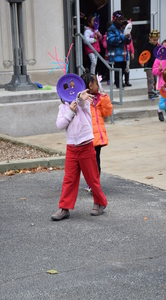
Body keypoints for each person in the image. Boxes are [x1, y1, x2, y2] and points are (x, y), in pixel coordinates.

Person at [51, 88, 107, 221]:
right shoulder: (63, 108)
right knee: (69, 178)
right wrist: (70, 111)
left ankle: (100, 203)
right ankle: (64, 208)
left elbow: (81, 103)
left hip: (86, 145)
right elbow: (60, 125)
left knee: (92, 177)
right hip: (71, 147)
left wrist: (80, 98)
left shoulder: (84, 103)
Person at [81, 69, 113, 192]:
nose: (98, 86)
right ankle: (91, 183)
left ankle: (94, 184)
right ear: (90, 86)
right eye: (96, 84)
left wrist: (105, 99)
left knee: (96, 162)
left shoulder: (99, 99)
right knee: (88, 163)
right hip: (87, 137)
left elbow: (107, 112)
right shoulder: (83, 102)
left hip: (97, 138)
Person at [107, 10, 131, 88]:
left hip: (123, 53)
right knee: (118, 69)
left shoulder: (123, 27)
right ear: (114, 19)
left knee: (123, 68)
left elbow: (127, 41)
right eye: (119, 19)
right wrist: (123, 37)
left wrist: (128, 38)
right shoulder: (111, 29)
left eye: (122, 19)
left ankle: (122, 81)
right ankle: (118, 83)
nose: (121, 21)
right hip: (116, 54)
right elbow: (111, 41)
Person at [140, 29, 160, 100]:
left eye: (156, 40)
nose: (155, 41)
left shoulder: (158, 46)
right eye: (153, 40)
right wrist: (142, 62)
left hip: (155, 66)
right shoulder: (146, 45)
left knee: (155, 79)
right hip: (148, 65)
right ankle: (150, 93)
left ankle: (155, 90)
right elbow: (142, 55)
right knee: (150, 79)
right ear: (150, 38)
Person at [152, 39, 166, 121]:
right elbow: (154, 71)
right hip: (163, 84)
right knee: (163, 99)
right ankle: (159, 110)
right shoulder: (159, 59)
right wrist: (160, 69)